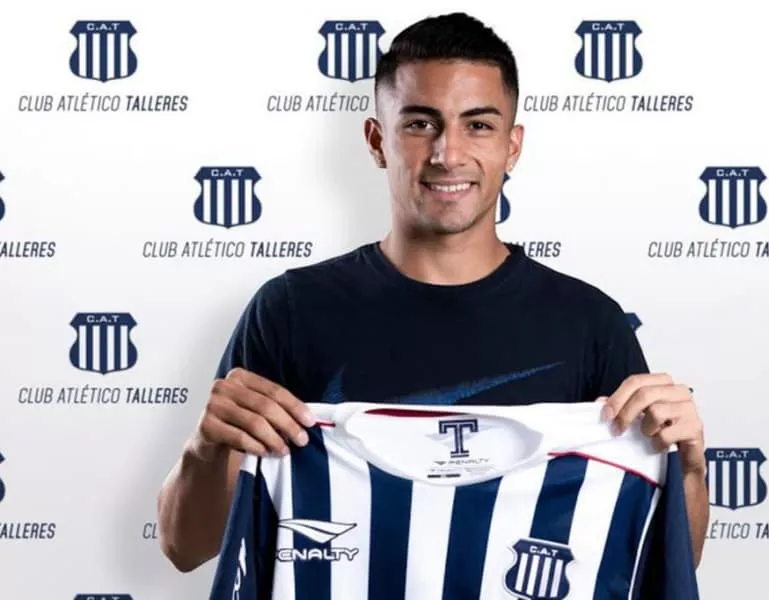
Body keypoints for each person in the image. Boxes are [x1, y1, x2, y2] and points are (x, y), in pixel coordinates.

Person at [156, 11, 709, 575]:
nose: (448, 153)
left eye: (479, 125)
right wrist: (205, 449)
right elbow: (185, 546)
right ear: (377, 140)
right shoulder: (291, 311)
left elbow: (661, 561)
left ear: (512, 146)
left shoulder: (588, 323)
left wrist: (687, 468)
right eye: (421, 124)